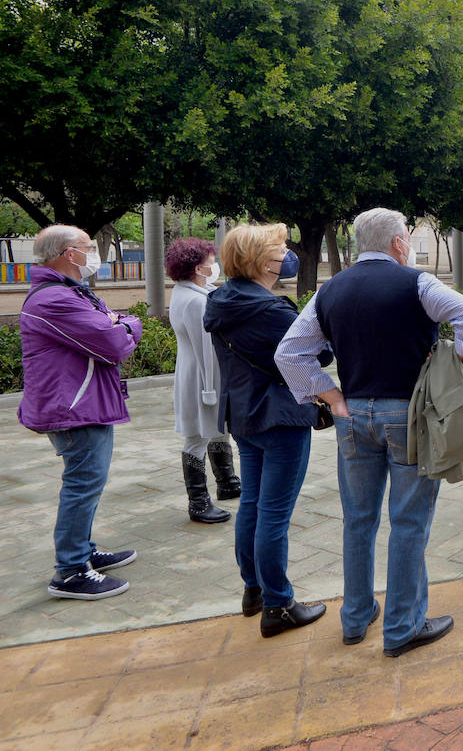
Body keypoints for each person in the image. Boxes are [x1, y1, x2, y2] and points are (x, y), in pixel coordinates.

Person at [276, 208, 463, 655]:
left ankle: (355, 617)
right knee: (408, 523)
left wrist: (330, 396)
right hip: (407, 416)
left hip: (353, 418)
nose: (408, 243)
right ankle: (402, 627)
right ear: (396, 243)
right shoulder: (416, 283)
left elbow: (289, 353)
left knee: (358, 519)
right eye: (407, 236)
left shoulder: (330, 290)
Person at [204, 223, 327, 637]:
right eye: (279, 249)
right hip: (280, 418)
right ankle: (279, 605)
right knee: (273, 514)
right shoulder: (272, 310)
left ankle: (253, 591)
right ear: (261, 261)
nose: (286, 256)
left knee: (253, 506)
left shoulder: (221, 300)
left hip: (244, 415)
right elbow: (316, 354)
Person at [19, 225, 142, 600]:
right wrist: (121, 327)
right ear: (68, 253)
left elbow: (118, 322)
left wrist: (122, 323)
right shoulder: (53, 299)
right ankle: (70, 570)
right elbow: (112, 342)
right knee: (82, 484)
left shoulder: (72, 292)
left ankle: (83, 551)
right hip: (74, 408)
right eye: (89, 247)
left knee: (88, 483)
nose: (95, 254)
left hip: (84, 404)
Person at [166, 237, 235, 524]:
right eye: (209, 262)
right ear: (198, 267)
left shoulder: (191, 292)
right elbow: (205, 347)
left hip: (200, 371)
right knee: (197, 436)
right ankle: (198, 501)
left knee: (217, 428)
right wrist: (209, 389)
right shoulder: (196, 301)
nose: (214, 266)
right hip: (203, 375)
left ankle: (227, 481)